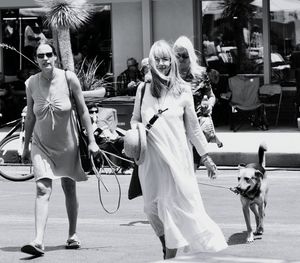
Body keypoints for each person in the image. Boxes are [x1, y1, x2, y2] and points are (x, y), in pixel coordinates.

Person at [130, 40, 227, 260]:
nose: (162, 63)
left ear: (171, 61)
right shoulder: (143, 88)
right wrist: (136, 132)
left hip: (176, 159)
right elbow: (135, 119)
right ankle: (167, 245)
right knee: (151, 209)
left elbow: (193, 127)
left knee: (170, 209)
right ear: (151, 62)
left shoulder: (182, 89)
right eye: (158, 59)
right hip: (150, 160)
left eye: (166, 59)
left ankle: (169, 256)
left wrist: (206, 156)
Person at [20, 41, 99, 256]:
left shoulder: (68, 78)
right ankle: (38, 241)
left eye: (48, 54)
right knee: (42, 188)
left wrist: (92, 141)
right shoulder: (31, 83)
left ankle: (72, 234)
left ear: (55, 57)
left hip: (67, 144)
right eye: (40, 56)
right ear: (36, 60)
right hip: (41, 144)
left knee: (68, 187)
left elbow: (83, 111)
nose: (45, 59)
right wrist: (26, 146)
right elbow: (30, 118)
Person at [173, 36, 223, 170]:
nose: (181, 59)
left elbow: (211, 96)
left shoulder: (200, 74)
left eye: (185, 56)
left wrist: (209, 105)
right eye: (178, 56)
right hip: (176, 127)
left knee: (191, 170)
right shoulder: (170, 76)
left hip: (196, 125)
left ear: (191, 55)